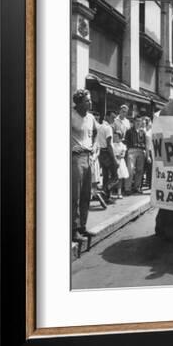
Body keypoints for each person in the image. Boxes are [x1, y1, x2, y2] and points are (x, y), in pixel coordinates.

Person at [71, 89, 98, 242]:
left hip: (88, 158)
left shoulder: (91, 117)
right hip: (75, 158)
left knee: (86, 195)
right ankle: (73, 230)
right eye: (87, 100)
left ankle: (82, 227)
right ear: (79, 102)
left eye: (90, 100)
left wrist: (94, 146)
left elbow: (95, 132)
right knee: (74, 195)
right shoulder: (70, 115)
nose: (90, 102)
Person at [95, 110, 118, 203]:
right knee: (115, 177)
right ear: (106, 117)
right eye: (112, 117)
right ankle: (104, 191)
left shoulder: (100, 127)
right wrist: (114, 159)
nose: (113, 120)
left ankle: (106, 198)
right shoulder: (108, 128)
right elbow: (109, 144)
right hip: (107, 153)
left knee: (105, 176)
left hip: (101, 153)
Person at [124, 116, 147, 194]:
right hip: (132, 150)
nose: (138, 123)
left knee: (140, 170)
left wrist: (143, 148)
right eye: (137, 121)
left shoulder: (142, 132)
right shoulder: (129, 131)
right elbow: (126, 142)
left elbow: (145, 142)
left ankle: (137, 187)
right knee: (130, 170)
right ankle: (127, 188)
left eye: (139, 121)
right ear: (133, 122)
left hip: (140, 151)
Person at [112, 131, 129, 199]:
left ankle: (119, 193)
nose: (115, 138)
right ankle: (111, 193)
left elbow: (123, 155)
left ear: (120, 137)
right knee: (113, 178)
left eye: (116, 136)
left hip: (120, 162)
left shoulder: (123, 145)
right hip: (113, 162)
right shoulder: (112, 145)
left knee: (120, 178)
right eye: (114, 136)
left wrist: (118, 156)